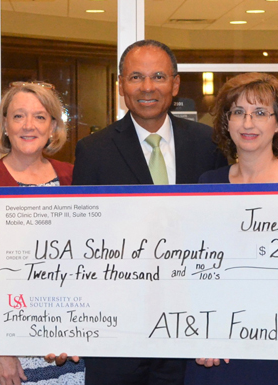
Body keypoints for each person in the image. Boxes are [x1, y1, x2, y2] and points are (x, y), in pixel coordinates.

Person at [72, 39, 226, 384]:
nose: (147, 87)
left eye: (158, 76)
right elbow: (83, 242)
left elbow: (219, 232)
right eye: (135, 77)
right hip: (117, 333)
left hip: (190, 331)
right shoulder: (93, 151)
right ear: (121, 87)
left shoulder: (209, 144)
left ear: (174, 84)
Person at [185, 73, 278, 385]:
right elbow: (191, 274)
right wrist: (197, 334)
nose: (248, 123)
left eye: (261, 113)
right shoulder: (206, 185)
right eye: (238, 112)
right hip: (216, 352)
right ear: (226, 122)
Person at [0, 82, 83, 385]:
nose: (28, 126)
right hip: (12, 344)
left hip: (72, 342)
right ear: (5, 124)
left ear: (53, 126)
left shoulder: (74, 177)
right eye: (18, 116)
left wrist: (81, 329)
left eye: (40, 117)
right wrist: (0, 348)